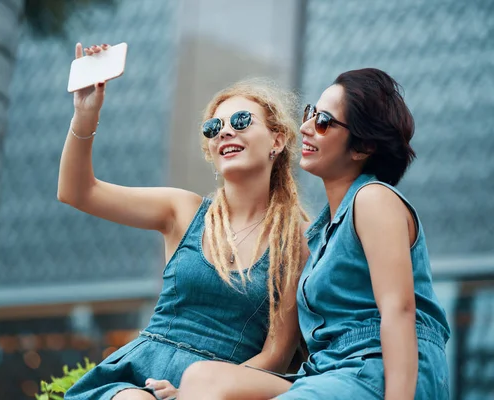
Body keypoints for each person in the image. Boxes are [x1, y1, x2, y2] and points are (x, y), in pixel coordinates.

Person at [178, 68, 452, 400]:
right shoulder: (318, 237)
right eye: (310, 113)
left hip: (378, 369)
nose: (306, 127)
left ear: (362, 146)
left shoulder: (373, 199)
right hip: (329, 371)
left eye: (323, 121)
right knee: (201, 380)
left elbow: (399, 311)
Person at [59, 43, 309, 400]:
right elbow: (77, 191)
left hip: (220, 387)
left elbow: (275, 354)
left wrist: (191, 390)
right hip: (139, 376)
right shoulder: (183, 210)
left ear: (277, 139)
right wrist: (86, 114)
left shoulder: (296, 238)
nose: (225, 132)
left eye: (240, 122)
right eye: (213, 127)